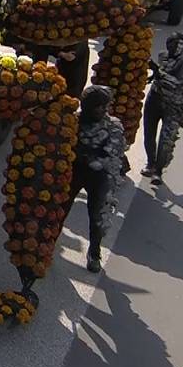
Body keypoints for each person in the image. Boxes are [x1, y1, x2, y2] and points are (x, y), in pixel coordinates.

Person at [64, 86, 126, 273]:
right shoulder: (73, 122)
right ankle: (48, 245)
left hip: (99, 177)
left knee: (97, 218)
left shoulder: (113, 126)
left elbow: (113, 157)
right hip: (74, 173)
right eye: (99, 107)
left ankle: (94, 253)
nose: (104, 110)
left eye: (105, 106)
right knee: (59, 210)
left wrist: (89, 158)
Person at [142, 33, 183, 185]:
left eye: (176, 44)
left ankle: (158, 171)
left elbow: (178, 82)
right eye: (170, 44)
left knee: (166, 139)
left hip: (176, 105)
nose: (173, 48)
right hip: (155, 99)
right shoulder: (164, 56)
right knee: (149, 133)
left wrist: (157, 72)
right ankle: (150, 163)